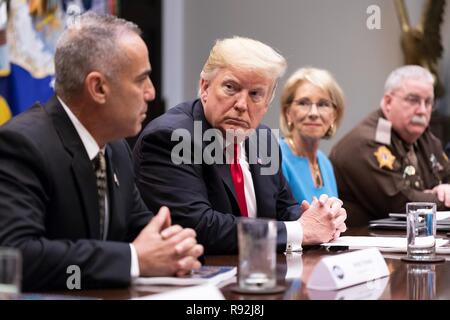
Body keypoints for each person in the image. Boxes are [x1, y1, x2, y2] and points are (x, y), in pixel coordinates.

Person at [0, 12, 203, 291]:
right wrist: (134, 260)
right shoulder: (22, 145)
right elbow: (18, 257)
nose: (151, 93)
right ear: (98, 88)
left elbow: (140, 229)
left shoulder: (116, 147)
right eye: (141, 79)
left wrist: (173, 247)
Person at [133, 36, 347, 255]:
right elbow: (198, 227)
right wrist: (300, 231)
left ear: (268, 102)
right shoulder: (172, 137)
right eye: (230, 88)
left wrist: (322, 217)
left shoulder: (262, 138)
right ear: (205, 87)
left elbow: (284, 208)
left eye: (255, 94)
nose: (241, 105)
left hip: (261, 277)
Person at [330, 65, 450, 227]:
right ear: (388, 102)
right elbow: (400, 204)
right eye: (413, 100)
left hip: (413, 238)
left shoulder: (424, 137)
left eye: (428, 102)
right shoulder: (365, 143)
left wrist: (445, 188)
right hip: (360, 246)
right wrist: (439, 198)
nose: (422, 110)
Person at [279, 67, 345, 203]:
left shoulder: (325, 163)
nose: (313, 113)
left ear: (334, 115)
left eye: (323, 104)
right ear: (288, 112)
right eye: (303, 103)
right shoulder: (276, 157)